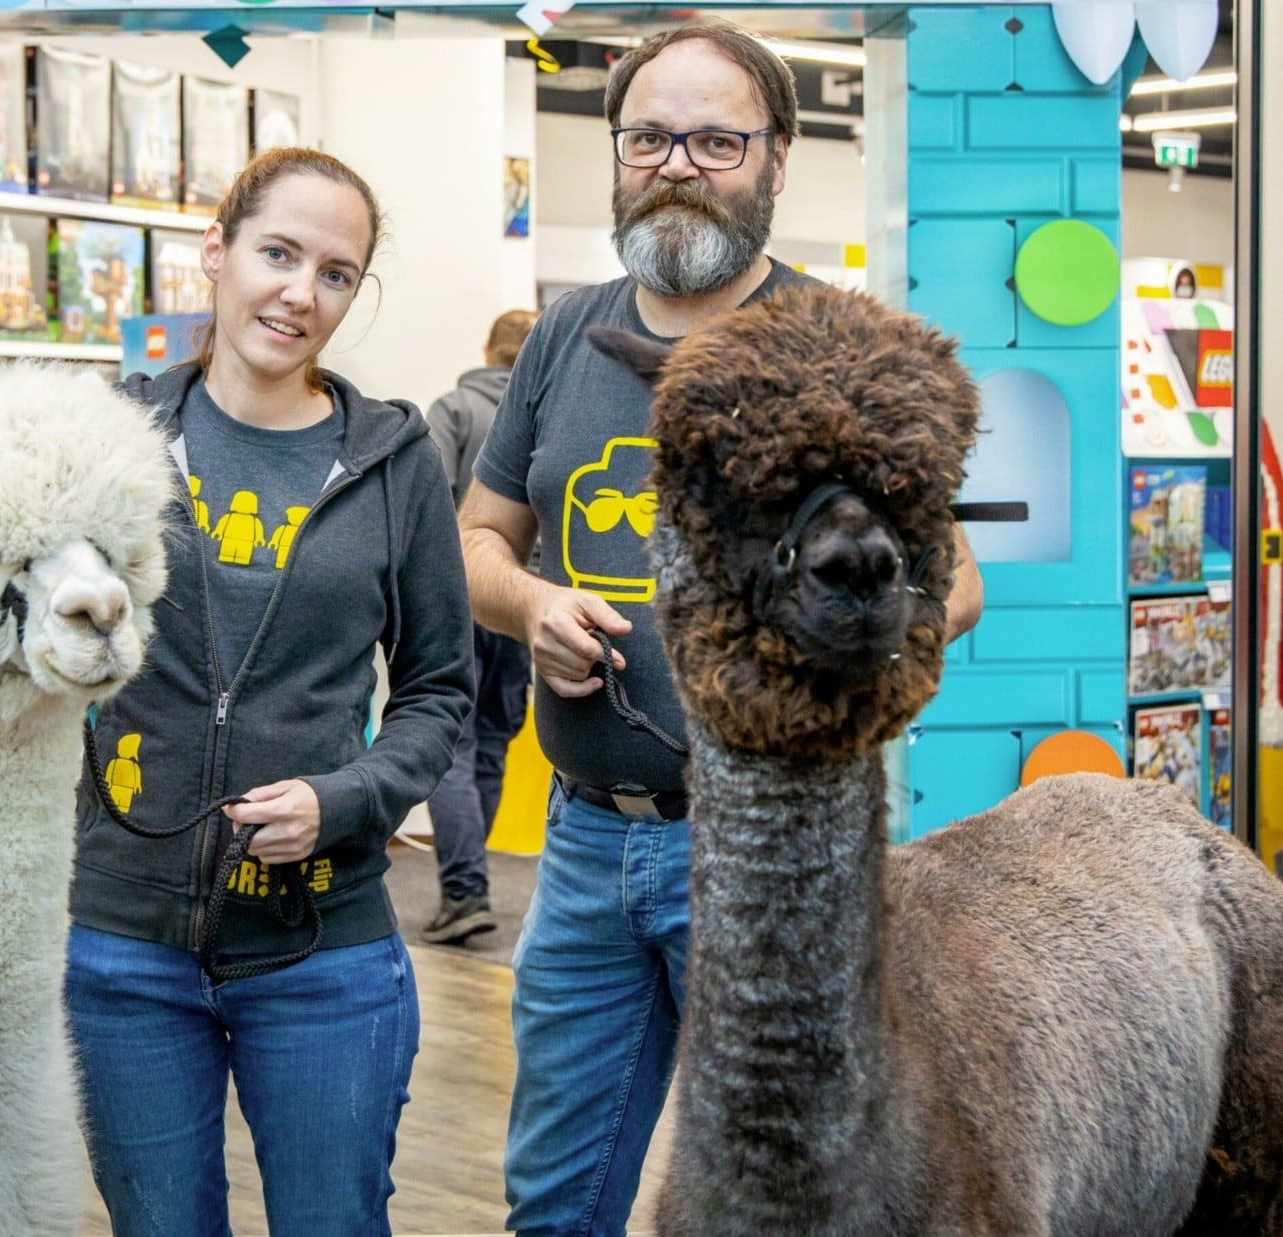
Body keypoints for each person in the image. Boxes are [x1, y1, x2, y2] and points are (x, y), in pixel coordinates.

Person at [458, 22, 987, 1235]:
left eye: (715, 138)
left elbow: (951, 586)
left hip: (772, 859)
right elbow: (476, 543)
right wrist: (532, 604)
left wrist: (831, 648)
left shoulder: (842, 346)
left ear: (779, 157)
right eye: (649, 136)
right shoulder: (561, 336)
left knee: (791, 1201)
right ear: (616, 150)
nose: (677, 164)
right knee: (555, 1198)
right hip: (586, 846)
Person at [66, 147, 473, 1236]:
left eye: (335, 272)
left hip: (322, 952)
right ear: (217, 251)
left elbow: (441, 690)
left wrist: (346, 799)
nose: (300, 291)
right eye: (278, 253)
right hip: (118, 943)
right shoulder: (108, 441)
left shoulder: (395, 464)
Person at [419, 308, 539, 946]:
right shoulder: (543, 414)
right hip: (520, 601)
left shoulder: (454, 408)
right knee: (491, 741)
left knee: (453, 747)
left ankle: (465, 890)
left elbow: (428, 503)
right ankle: (471, 882)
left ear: (486, 347)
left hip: (457, 601)